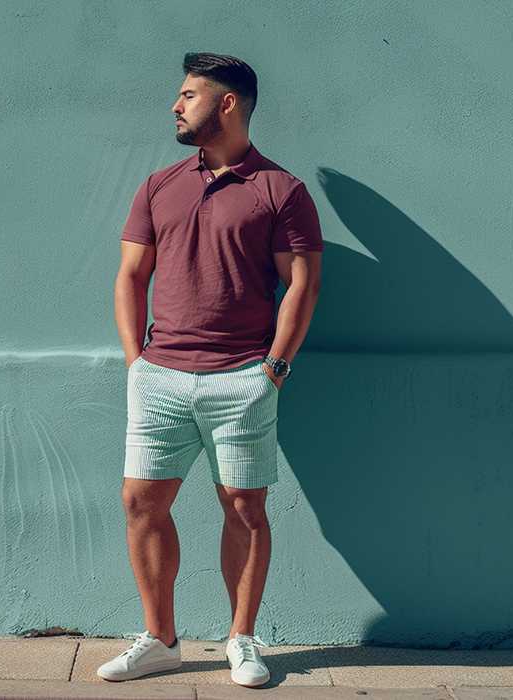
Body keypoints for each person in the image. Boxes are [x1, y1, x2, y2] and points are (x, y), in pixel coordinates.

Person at [99, 52, 322, 687]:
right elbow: (130, 276)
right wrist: (136, 364)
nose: (176, 105)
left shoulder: (281, 191)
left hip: (242, 378)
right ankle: (160, 640)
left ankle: (241, 641)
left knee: (245, 507)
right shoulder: (159, 186)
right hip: (160, 375)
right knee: (140, 502)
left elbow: (302, 285)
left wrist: (273, 370)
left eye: (188, 95)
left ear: (227, 103)